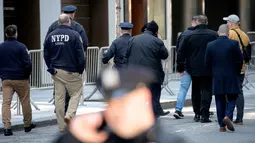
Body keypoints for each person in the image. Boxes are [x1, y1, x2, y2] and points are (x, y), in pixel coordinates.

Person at [53, 67, 188, 143]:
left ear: (144, 97)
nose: (117, 110)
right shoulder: (95, 137)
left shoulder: (168, 140)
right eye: (111, 103)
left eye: (125, 101)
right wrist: (73, 138)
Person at [44, 14, 85, 132]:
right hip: (72, 70)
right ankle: (70, 114)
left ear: (59, 22)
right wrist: (80, 70)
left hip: (57, 71)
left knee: (59, 98)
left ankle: (62, 126)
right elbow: (80, 55)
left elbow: (46, 53)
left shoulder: (51, 36)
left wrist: (50, 68)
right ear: (69, 22)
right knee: (76, 93)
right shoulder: (75, 35)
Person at [177, 15, 218, 123]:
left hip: (193, 68)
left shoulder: (189, 36)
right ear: (206, 22)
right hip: (208, 67)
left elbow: (181, 52)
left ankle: (197, 114)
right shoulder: (213, 35)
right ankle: (205, 114)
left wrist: (180, 67)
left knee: (195, 90)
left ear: (197, 22)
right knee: (207, 91)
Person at [126, 21, 170, 118]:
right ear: (155, 31)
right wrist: (159, 40)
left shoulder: (133, 39)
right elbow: (165, 55)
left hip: (135, 73)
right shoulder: (157, 41)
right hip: (152, 73)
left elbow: (126, 55)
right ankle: (154, 111)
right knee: (154, 92)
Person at [205, 24, 243, 132]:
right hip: (231, 74)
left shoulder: (210, 45)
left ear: (218, 32)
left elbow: (207, 62)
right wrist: (237, 71)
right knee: (233, 96)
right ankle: (228, 115)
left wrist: (212, 73)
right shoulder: (234, 44)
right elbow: (239, 60)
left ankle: (222, 125)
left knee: (219, 99)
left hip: (217, 76)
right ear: (228, 33)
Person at [0, 25, 36, 136]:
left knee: (6, 103)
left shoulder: (1, 47)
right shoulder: (21, 47)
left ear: (6, 34)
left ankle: (7, 127)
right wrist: (26, 75)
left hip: (6, 79)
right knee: (25, 101)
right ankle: (27, 124)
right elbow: (28, 63)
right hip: (20, 78)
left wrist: (2, 75)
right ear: (16, 34)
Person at [223, 14, 251, 125]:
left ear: (231, 23)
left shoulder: (230, 34)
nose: (226, 24)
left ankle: (228, 116)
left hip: (231, 68)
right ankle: (239, 117)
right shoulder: (244, 35)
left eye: (227, 22)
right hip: (241, 68)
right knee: (239, 92)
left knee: (228, 92)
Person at [173, 16, 197, 119]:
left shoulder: (183, 34)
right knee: (198, 89)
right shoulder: (199, 34)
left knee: (183, 88)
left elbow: (178, 51)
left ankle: (178, 109)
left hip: (185, 66)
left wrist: (180, 67)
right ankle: (201, 110)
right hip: (197, 67)